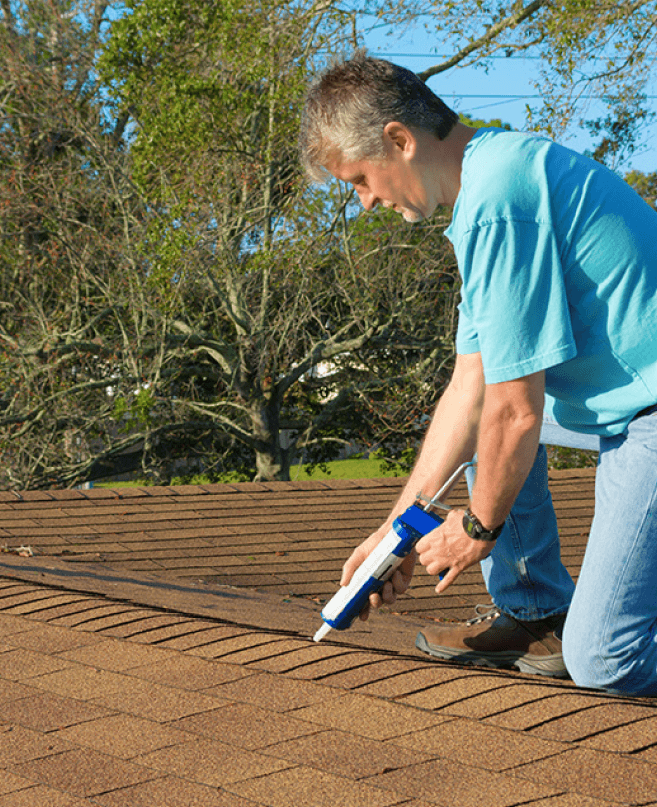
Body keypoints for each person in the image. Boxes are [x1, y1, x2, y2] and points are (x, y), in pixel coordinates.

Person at [299, 53, 657, 696]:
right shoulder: (485, 188)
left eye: (359, 180)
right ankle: (536, 613)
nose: (367, 201)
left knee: (607, 660)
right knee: (482, 439)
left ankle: (575, 628)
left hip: (649, 414)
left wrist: (476, 528)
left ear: (398, 140)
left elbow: (517, 408)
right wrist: (396, 529)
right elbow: (470, 393)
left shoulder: (500, 200)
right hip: (621, 403)